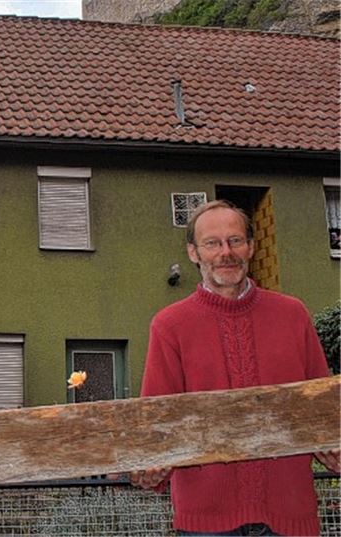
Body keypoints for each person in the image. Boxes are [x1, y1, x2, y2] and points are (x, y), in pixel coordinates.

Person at [132, 200, 339, 536]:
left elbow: (323, 410)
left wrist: (333, 445)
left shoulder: (293, 315)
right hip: (205, 521)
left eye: (235, 241)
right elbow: (155, 422)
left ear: (251, 247)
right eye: (212, 243)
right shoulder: (169, 326)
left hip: (290, 514)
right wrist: (149, 464)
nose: (225, 252)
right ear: (193, 253)